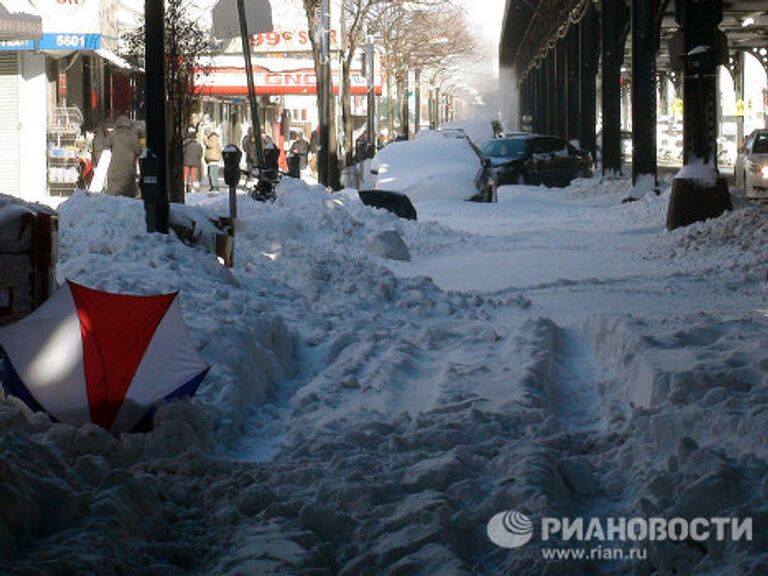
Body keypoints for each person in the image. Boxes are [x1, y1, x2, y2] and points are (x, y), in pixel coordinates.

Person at [104, 115, 141, 197]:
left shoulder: (113, 134)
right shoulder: (133, 135)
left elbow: (105, 145)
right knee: (128, 196)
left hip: (115, 169)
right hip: (129, 168)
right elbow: (138, 150)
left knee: (114, 196)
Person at [183, 127, 203, 193]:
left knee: (185, 175)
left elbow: (182, 152)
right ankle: (192, 188)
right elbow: (200, 153)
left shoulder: (185, 144)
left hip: (186, 161)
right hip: (195, 162)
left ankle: (185, 186)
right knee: (193, 176)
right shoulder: (197, 144)